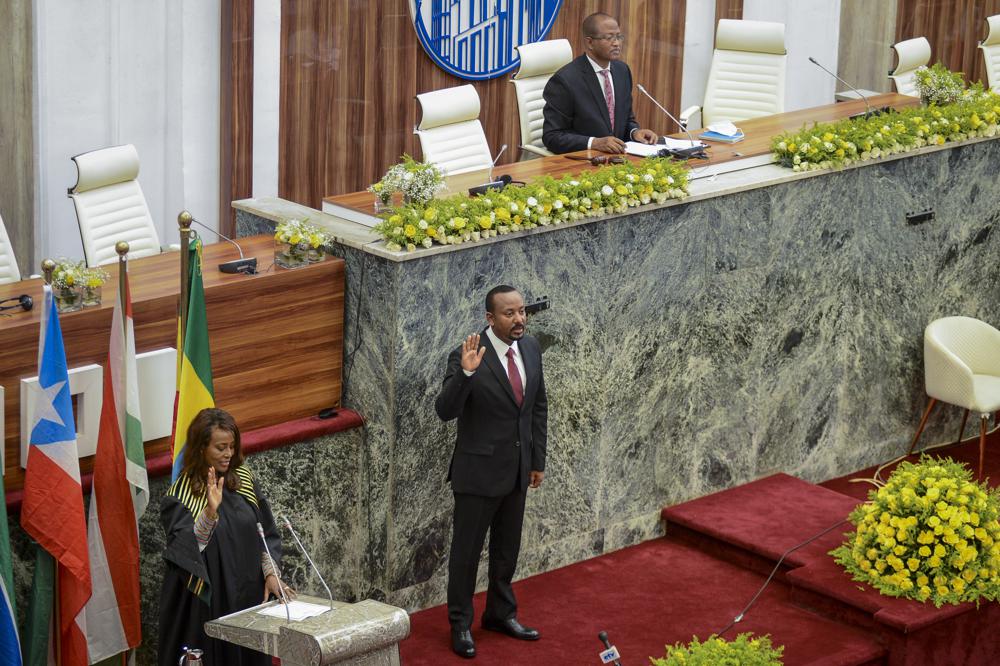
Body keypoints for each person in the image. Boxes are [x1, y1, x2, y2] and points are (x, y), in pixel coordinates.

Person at [435, 285, 548, 659]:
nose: (519, 319)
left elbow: (537, 408)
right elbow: (445, 410)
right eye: (509, 314)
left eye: (521, 312)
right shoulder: (467, 354)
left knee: (506, 551)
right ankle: (461, 624)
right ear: (489, 318)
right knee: (466, 555)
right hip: (477, 474)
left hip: (517, 472)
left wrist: (536, 461)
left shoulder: (530, 348)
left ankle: (500, 614)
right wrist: (465, 375)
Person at [158, 408, 292, 665]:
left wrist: (271, 572)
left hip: (249, 598)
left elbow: (264, 532)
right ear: (200, 449)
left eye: (232, 446)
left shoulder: (243, 480)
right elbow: (187, 553)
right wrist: (209, 511)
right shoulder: (180, 497)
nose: (229, 454)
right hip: (211, 604)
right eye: (221, 448)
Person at [542, 12, 658, 155]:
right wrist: (594, 143)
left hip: (618, 159)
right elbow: (552, 136)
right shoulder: (565, 80)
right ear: (590, 42)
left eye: (618, 37)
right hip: (584, 160)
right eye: (609, 38)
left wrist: (634, 132)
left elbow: (626, 119)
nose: (616, 43)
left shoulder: (622, 71)